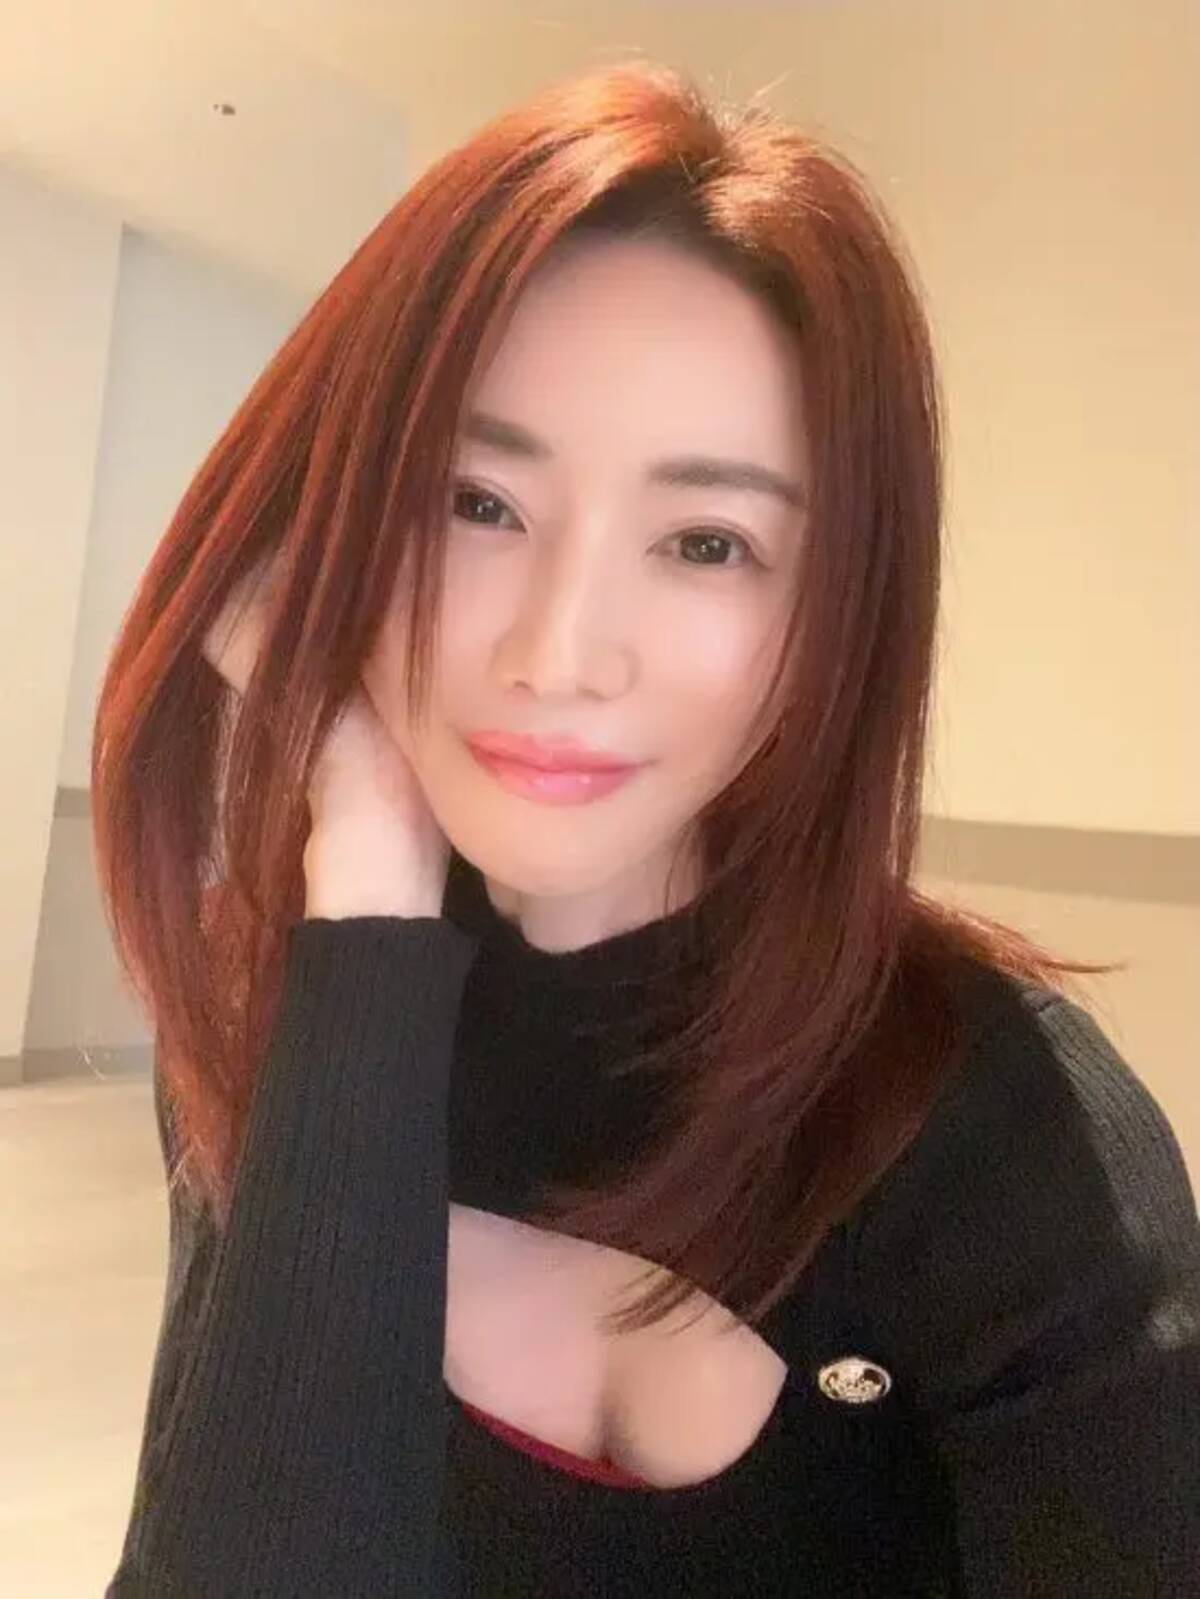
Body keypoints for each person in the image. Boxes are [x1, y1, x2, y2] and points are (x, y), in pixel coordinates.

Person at [94, 59, 1199, 1597]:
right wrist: (365, 877)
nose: (559, 653)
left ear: (834, 614)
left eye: (705, 543)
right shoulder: (286, 1003)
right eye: (476, 503)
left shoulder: (1004, 1145)